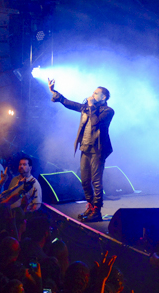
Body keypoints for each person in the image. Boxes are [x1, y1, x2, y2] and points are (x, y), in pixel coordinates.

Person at [47, 79, 114, 222]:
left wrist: (90, 106)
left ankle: (97, 210)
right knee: (84, 180)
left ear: (104, 97)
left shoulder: (108, 111)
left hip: (98, 150)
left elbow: (95, 123)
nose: (92, 95)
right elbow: (69, 103)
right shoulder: (86, 107)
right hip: (85, 147)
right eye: (93, 92)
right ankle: (90, 206)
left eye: (96, 93)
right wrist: (54, 92)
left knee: (96, 181)